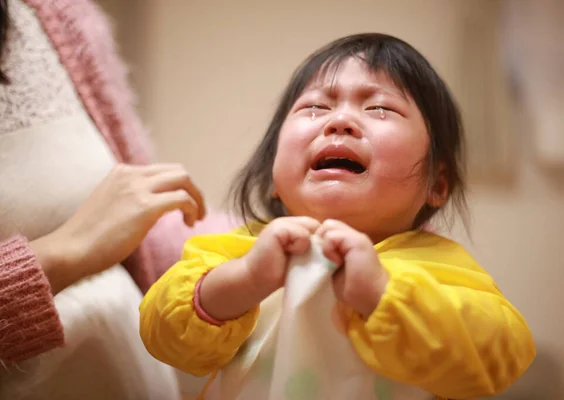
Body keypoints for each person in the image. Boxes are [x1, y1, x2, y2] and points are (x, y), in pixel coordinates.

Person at [139, 33, 536, 399]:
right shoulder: (238, 252)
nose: (339, 121)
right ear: (274, 179)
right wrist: (244, 280)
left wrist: (383, 295)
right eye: (314, 107)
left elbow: (501, 357)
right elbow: (161, 335)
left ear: (437, 183)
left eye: (380, 108)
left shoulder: (441, 267)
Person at [0, 0, 235, 399]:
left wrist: (254, 248)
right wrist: (63, 252)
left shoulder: (57, 12)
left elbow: (139, 213)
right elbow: (100, 227)